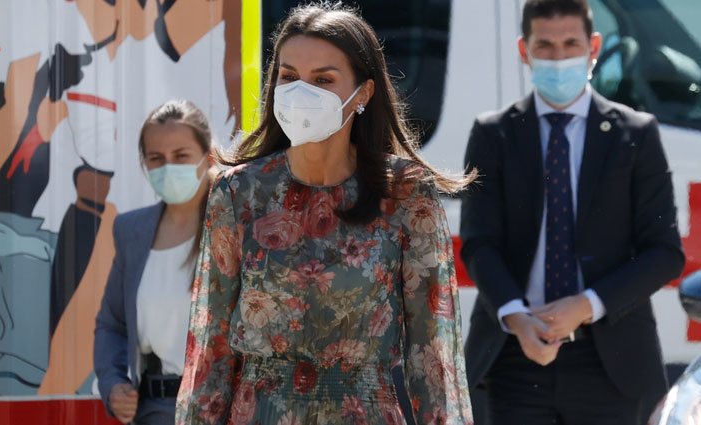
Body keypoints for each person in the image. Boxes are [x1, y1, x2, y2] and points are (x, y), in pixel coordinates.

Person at [176, 3, 474, 425]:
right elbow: (212, 347)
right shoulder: (238, 192)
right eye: (288, 76)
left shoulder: (405, 195)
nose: (302, 92)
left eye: (323, 80)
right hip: (260, 412)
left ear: (364, 93)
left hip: (364, 411)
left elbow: (432, 357)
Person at [460, 0, 686, 424]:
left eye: (570, 44)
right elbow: (479, 242)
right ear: (524, 50)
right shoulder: (495, 133)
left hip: (611, 362)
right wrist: (515, 316)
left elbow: (663, 252)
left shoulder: (635, 135)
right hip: (515, 357)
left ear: (593, 46)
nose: (559, 57)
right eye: (544, 45)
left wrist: (586, 304)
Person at [93, 100, 216, 425]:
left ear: (209, 158)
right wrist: (113, 384)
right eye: (156, 159)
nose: (168, 167)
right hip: (155, 411)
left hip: (224, 410)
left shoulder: (236, 227)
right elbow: (112, 325)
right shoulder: (130, 231)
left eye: (181, 156)